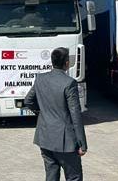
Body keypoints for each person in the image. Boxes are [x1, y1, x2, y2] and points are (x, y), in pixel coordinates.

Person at [25, 47, 88, 181]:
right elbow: (75, 114)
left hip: (45, 137)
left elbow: (28, 100)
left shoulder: (40, 79)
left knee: (51, 176)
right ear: (66, 63)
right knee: (74, 177)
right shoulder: (69, 83)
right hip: (66, 142)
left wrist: (42, 112)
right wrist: (82, 143)